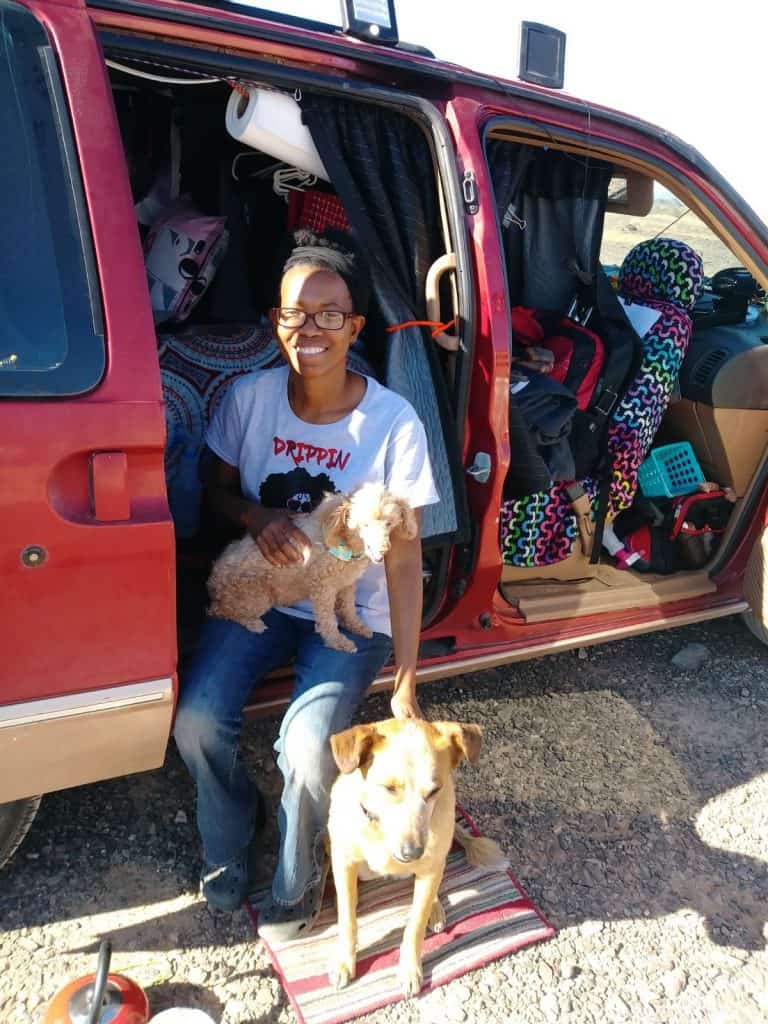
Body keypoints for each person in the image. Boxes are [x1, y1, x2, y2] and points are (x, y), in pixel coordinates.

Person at [173, 229, 439, 942]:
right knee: (196, 724)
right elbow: (215, 492)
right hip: (266, 591)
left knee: (310, 744)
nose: (311, 328)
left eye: (330, 314)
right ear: (275, 322)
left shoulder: (393, 424)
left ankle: (297, 880)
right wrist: (257, 515)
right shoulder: (249, 398)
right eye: (297, 313)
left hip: (355, 610)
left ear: (355, 327)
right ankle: (232, 831)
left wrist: (407, 675)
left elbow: (405, 558)